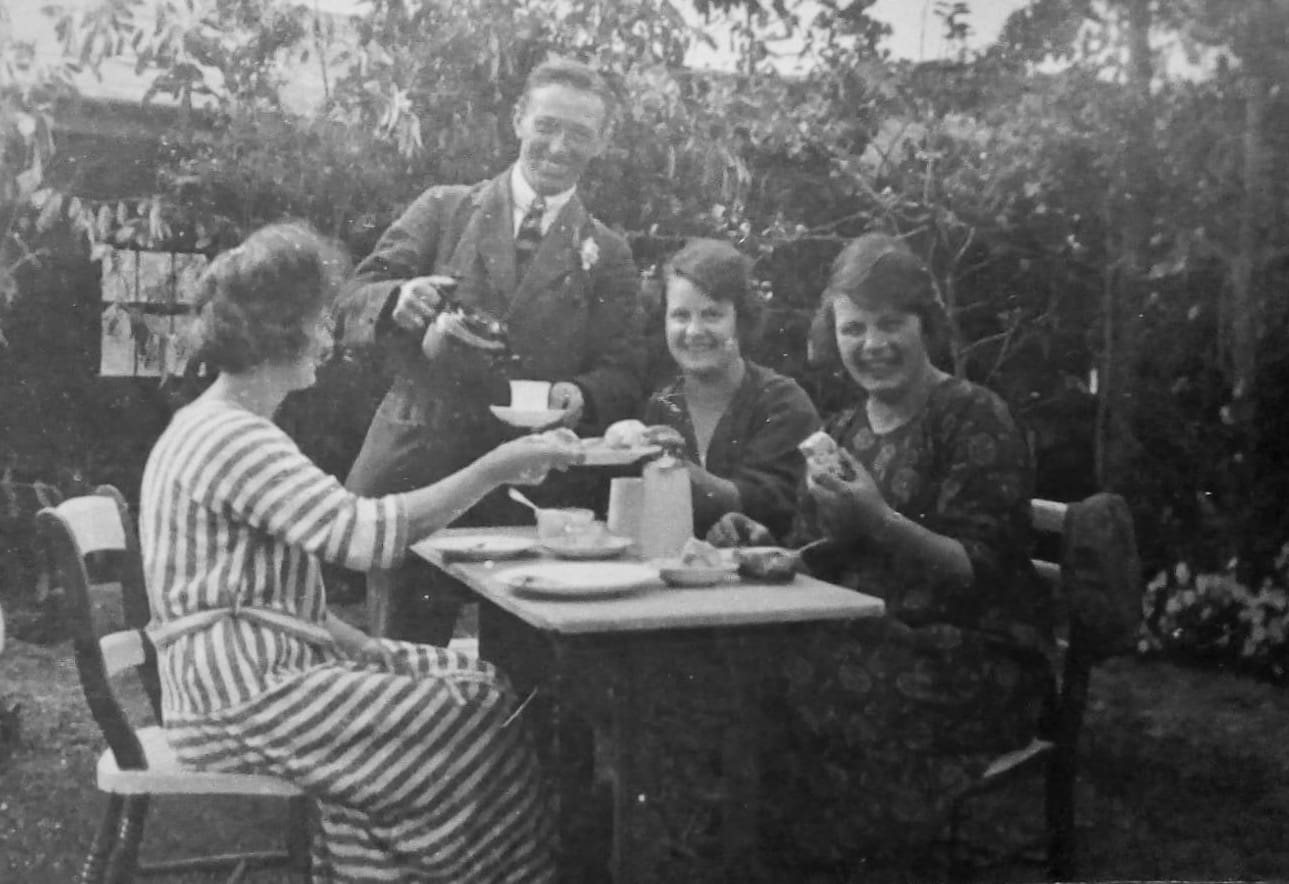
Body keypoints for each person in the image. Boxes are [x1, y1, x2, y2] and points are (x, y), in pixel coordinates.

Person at [140, 222, 581, 883]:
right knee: (472, 714)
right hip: (239, 699)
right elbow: (362, 538)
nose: (327, 340)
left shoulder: (223, 424)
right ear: (277, 332)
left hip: (249, 675)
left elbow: (253, 589)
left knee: (482, 683)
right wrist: (497, 467)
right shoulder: (234, 438)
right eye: (318, 323)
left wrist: (356, 642)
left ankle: (397, 869)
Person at [708, 232, 1054, 870]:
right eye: (853, 328)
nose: (872, 345)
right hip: (868, 633)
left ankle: (856, 859)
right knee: (742, 670)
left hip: (969, 651)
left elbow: (983, 572)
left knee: (800, 683)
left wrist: (879, 518)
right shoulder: (842, 429)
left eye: (891, 324)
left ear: (926, 324)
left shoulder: (973, 416)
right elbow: (816, 550)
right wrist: (761, 542)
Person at [336, 56, 644, 643]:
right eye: (547, 125)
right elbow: (350, 298)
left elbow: (628, 368)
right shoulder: (443, 209)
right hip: (420, 476)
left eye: (579, 133)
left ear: (602, 142)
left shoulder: (608, 252)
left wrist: (580, 394)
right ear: (518, 120)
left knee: (524, 677)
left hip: (530, 499)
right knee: (402, 670)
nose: (558, 146)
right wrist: (397, 298)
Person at [641, 238, 820, 539]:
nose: (694, 331)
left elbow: (761, 506)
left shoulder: (783, 404)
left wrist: (670, 465)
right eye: (681, 315)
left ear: (742, 320)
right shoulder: (662, 405)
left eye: (712, 314)